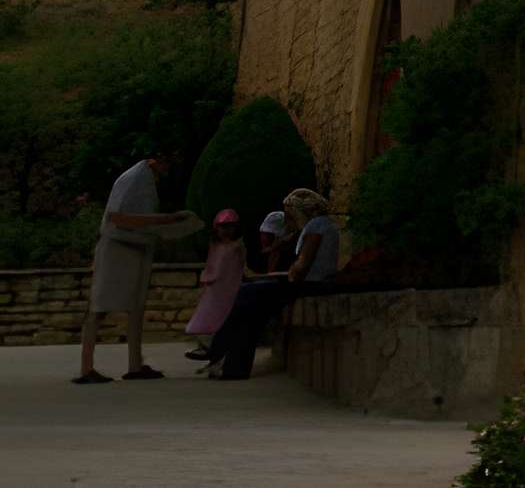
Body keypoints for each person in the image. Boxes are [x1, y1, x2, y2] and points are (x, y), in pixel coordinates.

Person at [74, 147, 198, 384]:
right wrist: (169, 219)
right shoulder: (134, 178)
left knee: (136, 307)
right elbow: (118, 218)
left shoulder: (146, 179)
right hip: (117, 251)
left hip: (136, 250)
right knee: (99, 308)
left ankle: (135, 364)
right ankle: (86, 368)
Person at [206, 189, 341, 381]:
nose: (287, 221)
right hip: (311, 282)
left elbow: (301, 267)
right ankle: (232, 366)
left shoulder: (316, 225)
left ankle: (217, 350)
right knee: (252, 310)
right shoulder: (323, 225)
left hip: (311, 284)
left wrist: (287, 273)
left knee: (247, 293)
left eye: (289, 215)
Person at [182, 208, 248, 363]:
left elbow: (243, 264)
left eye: (229, 227)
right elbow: (211, 262)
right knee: (206, 317)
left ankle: (217, 354)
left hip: (231, 287)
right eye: (222, 227)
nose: (225, 230)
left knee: (224, 319)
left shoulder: (238, 245)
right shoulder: (215, 244)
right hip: (215, 288)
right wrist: (207, 277)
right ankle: (208, 349)